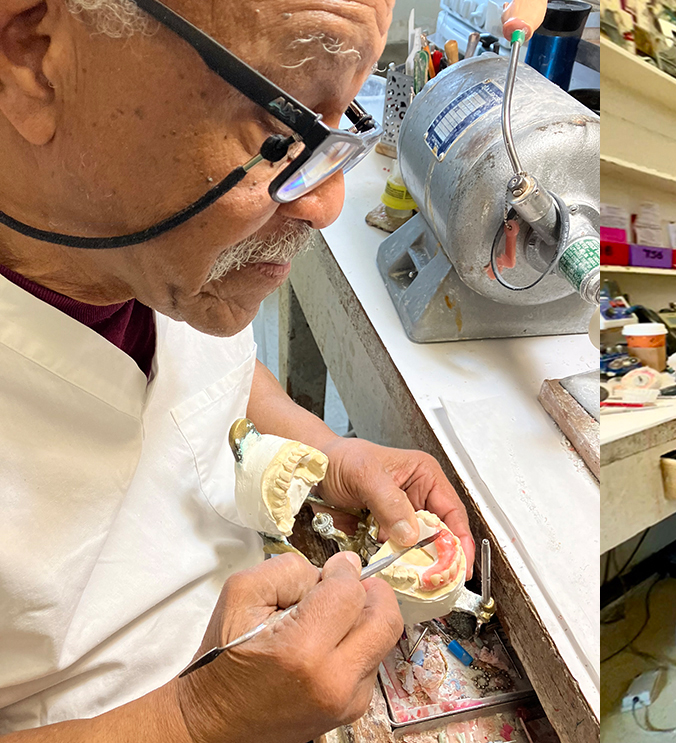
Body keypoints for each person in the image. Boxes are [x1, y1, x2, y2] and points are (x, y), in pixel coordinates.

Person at [0, 1, 480, 740]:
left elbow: (202, 380)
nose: (327, 203)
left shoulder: (149, 252)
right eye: (284, 130)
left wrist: (330, 452)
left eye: (342, 122)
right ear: (35, 56)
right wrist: (194, 720)